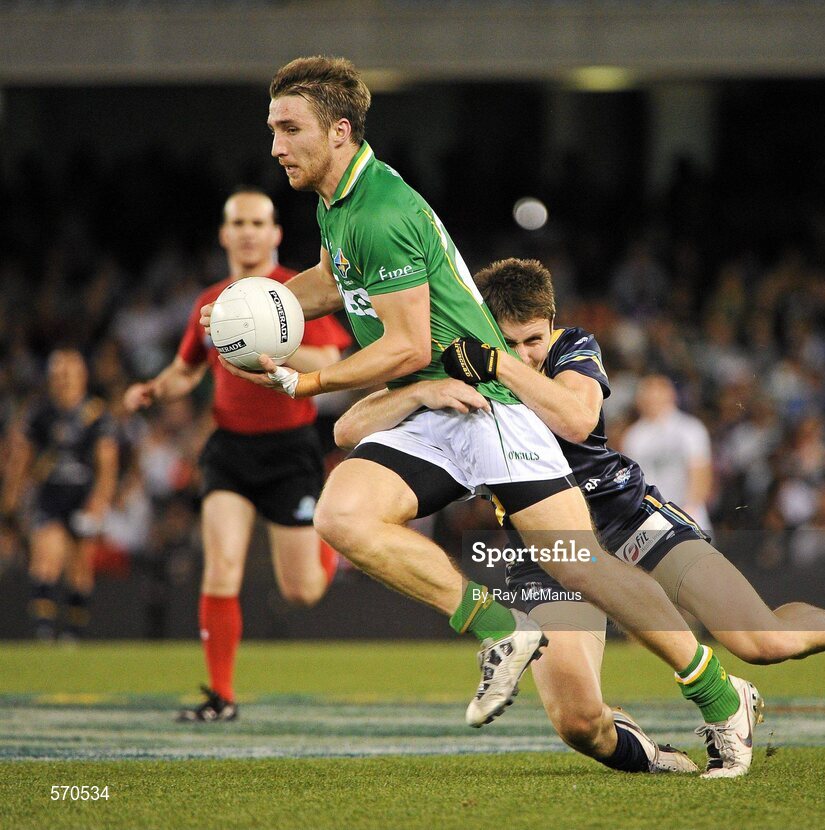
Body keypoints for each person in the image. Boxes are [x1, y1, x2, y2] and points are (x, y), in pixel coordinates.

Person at [207, 55, 761, 776]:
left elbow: (406, 346)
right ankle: (502, 628)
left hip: (489, 405)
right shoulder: (337, 203)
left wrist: (305, 380)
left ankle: (723, 698)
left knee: (584, 566)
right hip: (435, 406)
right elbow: (337, 284)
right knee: (341, 516)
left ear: (339, 131)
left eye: (290, 128)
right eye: (273, 129)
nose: (276, 145)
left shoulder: (380, 210)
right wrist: (261, 305)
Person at [334, 258, 825, 778]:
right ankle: (659, 760)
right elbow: (347, 427)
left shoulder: (570, 348)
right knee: (578, 722)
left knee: (758, 640)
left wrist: (502, 367)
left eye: (534, 338)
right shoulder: (458, 363)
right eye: (509, 340)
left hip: (624, 515)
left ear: (551, 327)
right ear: (485, 330)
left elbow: (577, 420)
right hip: (548, 548)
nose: (526, 349)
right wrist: (419, 390)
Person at [124, 188, 352, 722]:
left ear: (274, 233)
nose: (248, 231)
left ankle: (329, 539)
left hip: (291, 449)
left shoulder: (292, 293)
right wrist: (154, 390)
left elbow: (331, 356)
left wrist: (268, 346)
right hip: (229, 449)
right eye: (238, 223)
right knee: (220, 568)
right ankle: (221, 697)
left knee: (302, 592)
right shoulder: (212, 302)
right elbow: (187, 370)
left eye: (259, 222)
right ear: (225, 234)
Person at [1, 348, 119, 641]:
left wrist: (100, 500)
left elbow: (107, 463)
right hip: (49, 496)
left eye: (69, 373)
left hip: (83, 496)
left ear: (82, 376)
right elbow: (22, 458)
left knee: (80, 568)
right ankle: (43, 632)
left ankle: (73, 634)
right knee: (46, 557)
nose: (64, 380)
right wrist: (11, 498)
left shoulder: (95, 415)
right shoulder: (40, 412)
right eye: (58, 374)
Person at [622, 374, 714, 534]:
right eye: (647, 395)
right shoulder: (634, 436)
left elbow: (701, 475)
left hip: (689, 515)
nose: (652, 400)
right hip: (651, 521)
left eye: (657, 395)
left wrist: (688, 511)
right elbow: (633, 483)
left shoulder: (690, 429)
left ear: (671, 396)